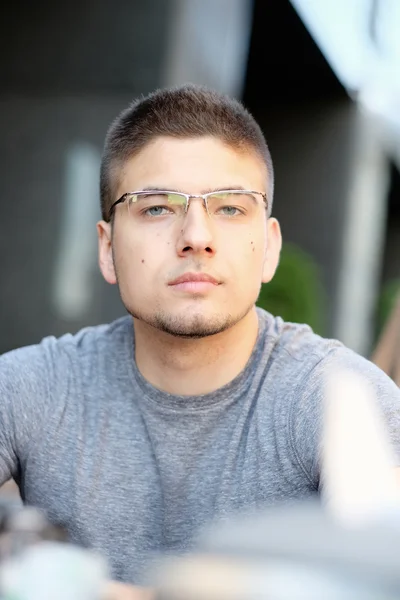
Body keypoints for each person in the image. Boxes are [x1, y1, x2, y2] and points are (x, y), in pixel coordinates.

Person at [1, 84, 400, 597]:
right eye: (156, 208)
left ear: (269, 249)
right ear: (106, 248)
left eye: (230, 208)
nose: (196, 235)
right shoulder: (34, 386)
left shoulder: (336, 400)